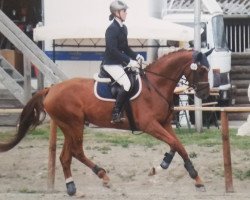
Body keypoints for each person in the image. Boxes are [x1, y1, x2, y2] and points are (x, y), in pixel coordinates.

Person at [102, 0, 145, 123]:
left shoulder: (123, 28)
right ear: (116, 13)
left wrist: (136, 56)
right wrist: (128, 61)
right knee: (127, 84)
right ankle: (116, 113)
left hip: (119, 63)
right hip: (110, 64)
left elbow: (125, 48)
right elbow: (112, 50)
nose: (126, 13)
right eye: (124, 11)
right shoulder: (111, 29)